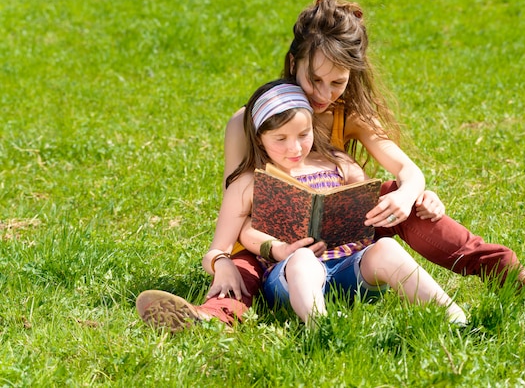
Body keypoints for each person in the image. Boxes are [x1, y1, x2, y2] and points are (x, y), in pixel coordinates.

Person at [136, 0, 525, 333]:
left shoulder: (350, 114)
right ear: (294, 64)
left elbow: (408, 170)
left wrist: (410, 192)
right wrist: (230, 256)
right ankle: (211, 317)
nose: (324, 93)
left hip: (343, 232)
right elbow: (241, 204)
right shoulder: (250, 121)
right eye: (314, 79)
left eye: (337, 82)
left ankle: (520, 283)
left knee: (398, 199)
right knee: (245, 267)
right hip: (267, 239)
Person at [138, 81, 467, 330]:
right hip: (291, 276)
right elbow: (230, 240)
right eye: (279, 139)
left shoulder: (337, 162)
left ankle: (455, 320)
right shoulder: (250, 181)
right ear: (259, 138)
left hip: (351, 269)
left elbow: (369, 202)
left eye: (303, 134)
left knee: (386, 249)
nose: (294, 148)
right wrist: (242, 258)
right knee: (301, 260)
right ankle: (320, 330)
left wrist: (422, 197)